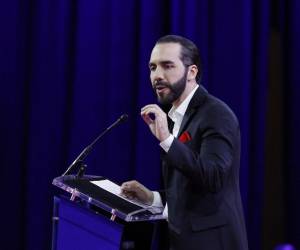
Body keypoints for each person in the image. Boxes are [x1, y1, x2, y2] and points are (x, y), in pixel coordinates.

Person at [121, 35, 248, 250]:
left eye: (167, 66)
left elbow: (213, 177)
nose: (157, 75)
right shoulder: (175, 117)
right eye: (152, 67)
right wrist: (152, 198)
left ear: (192, 72)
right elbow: (191, 190)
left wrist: (168, 141)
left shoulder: (216, 114)